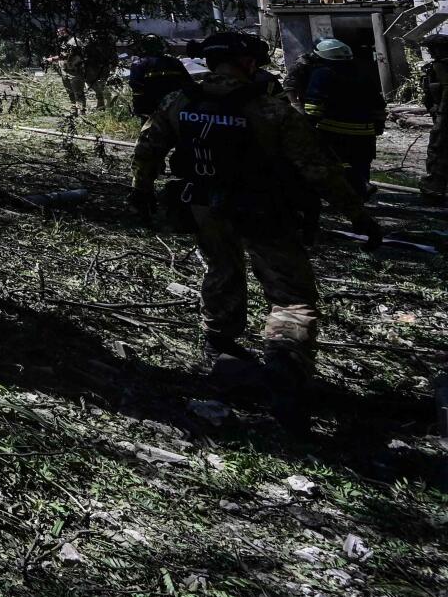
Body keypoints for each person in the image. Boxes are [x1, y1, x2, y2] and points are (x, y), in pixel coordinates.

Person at [131, 31, 382, 430]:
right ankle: (284, 362)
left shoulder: (179, 101)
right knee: (290, 298)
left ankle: (221, 348)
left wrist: (141, 191)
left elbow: (147, 149)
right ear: (247, 62)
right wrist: (358, 216)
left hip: (202, 205)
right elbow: (318, 170)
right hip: (264, 210)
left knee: (221, 269)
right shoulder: (271, 110)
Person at [289, 37, 385, 198]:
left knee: (336, 163)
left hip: (333, 131)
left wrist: (308, 125)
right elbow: (378, 105)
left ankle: (347, 196)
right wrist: (379, 125)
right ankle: (361, 192)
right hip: (365, 134)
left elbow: (314, 104)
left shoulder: (322, 73)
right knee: (361, 164)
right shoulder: (363, 73)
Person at [126, 34, 188, 122]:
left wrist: (139, 110)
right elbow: (188, 83)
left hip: (150, 109)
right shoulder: (175, 62)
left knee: (149, 132)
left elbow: (136, 88)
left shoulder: (139, 64)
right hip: (176, 106)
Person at [419, 35, 448, 205]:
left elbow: (446, 90)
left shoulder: (441, 67)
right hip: (440, 113)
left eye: (432, 48)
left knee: (438, 148)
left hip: (444, 116)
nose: (430, 51)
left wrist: (442, 115)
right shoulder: (436, 67)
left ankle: (434, 187)